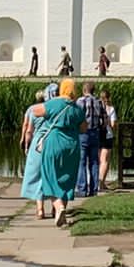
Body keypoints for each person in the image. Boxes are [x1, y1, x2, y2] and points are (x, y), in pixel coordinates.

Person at [31, 79, 85, 226]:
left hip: (54, 143)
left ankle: (59, 206)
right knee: (67, 177)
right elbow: (83, 129)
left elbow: (35, 111)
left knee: (50, 176)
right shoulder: (77, 109)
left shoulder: (54, 103)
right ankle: (62, 211)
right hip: (72, 145)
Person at [19, 83, 59, 219]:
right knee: (53, 174)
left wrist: (26, 144)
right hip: (53, 142)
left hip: (38, 144)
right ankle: (55, 207)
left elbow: (29, 130)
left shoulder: (35, 110)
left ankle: (40, 209)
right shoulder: (57, 109)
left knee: (38, 175)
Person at [76, 81, 107, 197]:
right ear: (93, 90)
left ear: (84, 90)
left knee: (82, 161)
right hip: (95, 133)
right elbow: (104, 120)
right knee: (94, 161)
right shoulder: (99, 102)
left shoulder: (80, 101)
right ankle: (93, 189)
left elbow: (77, 117)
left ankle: (82, 189)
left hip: (83, 133)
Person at [97, 88, 117, 190]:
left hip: (97, 135)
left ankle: (95, 182)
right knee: (105, 160)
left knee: (98, 160)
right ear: (109, 97)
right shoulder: (111, 109)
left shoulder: (96, 107)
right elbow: (113, 125)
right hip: (107, 135)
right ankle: (101, 183)